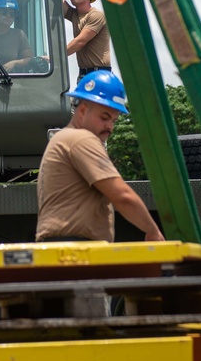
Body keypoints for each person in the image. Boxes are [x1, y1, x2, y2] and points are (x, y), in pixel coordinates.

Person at [35, 70, 165, 243]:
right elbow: (122, 196)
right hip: (74, 250)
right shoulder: (81, 139)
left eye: (113, 120)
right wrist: (153, 232)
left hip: (65, 247)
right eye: (104, 117)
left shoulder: (64, 138)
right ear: (82, 111)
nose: (109, 127)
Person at [62, 0, 112, 82]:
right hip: (84, 75)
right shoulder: (74, 14)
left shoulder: (96, 15)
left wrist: (55, 57)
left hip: (99, 75)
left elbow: (80, 41)